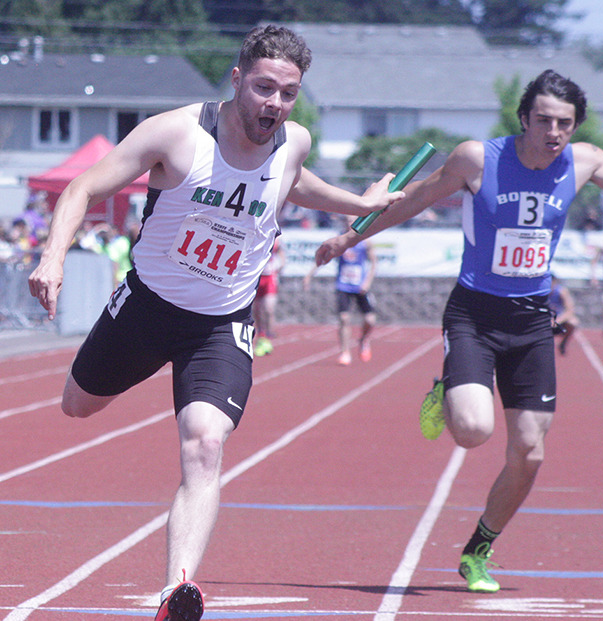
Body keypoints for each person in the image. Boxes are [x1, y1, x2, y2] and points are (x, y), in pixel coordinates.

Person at [27, 24, 403, 621]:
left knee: (205, 443)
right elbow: (82, 187)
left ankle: (176, 590)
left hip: (220, 323)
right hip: (146, 308)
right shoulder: (176, 134)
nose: (273, 105)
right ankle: (126, 376)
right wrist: (52, 257)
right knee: (78, 405)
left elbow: (294, 185)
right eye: (263, 88)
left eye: (287, 93)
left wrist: (360, 204)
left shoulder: (293, 142)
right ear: (236, 79)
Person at [315, 69, 603, 593]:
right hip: (475, 315)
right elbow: (417, 197)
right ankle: (450, 389)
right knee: (473, 430)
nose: (553, 132)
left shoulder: (584, 161)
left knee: (531, 450)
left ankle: (479, 546)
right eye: (543, 119)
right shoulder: (477, 159)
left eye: (564, 123)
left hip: (531, 319)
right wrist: (350, 237)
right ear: (524, 118)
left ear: (575, 127)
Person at [305, 216, 377, 365]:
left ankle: (363, 339)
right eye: (347, 221)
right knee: (344, 319)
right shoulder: (339, 241)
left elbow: (374, 262)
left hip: (360, 286)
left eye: (352, 220)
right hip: (343, 285)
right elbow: (324, 259)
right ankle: (345, 352)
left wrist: (367, 282)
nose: (349, 223)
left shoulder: (365, 241)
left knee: (370, 320)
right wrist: (309, 275)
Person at [253, 237, 285, 356]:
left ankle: (268, 336)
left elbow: (281, 252)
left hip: (270, 277)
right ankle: (261, 335)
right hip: (256, 276)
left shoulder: (276, 238)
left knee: (268, 308)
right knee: (257, 309)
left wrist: (282, 264)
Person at [549, 274, 579, 355]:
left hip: (558, 321)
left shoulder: (561, 292)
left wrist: (557, 320)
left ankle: (563, 342)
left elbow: (570, 310)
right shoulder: (540, 293)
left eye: (551, 282)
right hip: (543, 321)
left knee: (573, 322)